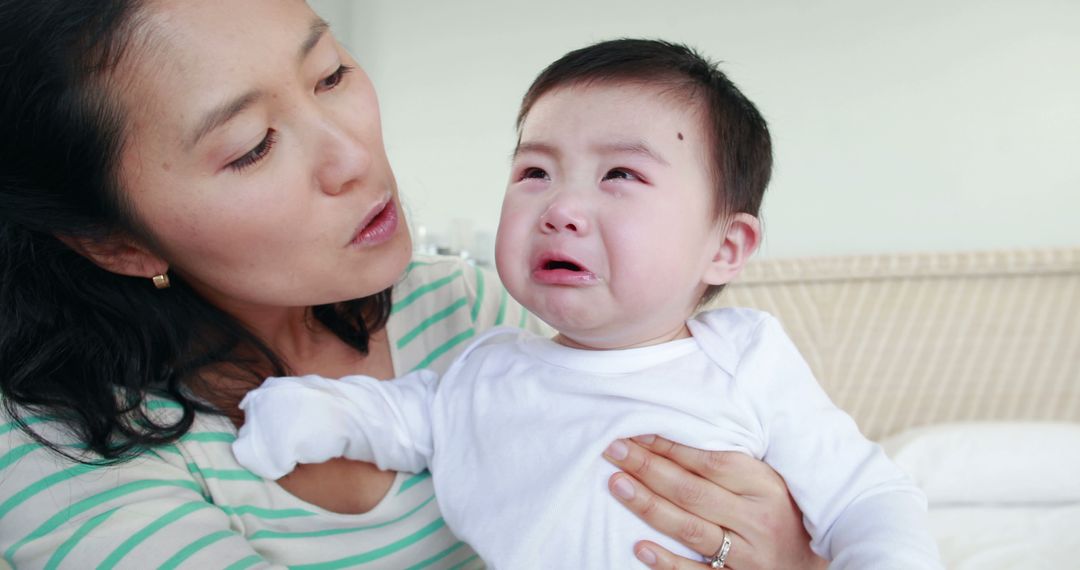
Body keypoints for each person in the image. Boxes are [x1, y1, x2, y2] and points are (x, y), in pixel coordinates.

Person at [0, 1, 829, 569]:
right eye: (254, 145)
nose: (354, 156)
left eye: (329, 75)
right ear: (113, 241)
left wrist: (787, 550)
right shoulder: (60, 447)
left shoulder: (463, 310)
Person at [233, 39, 943, 569]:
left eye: (621, 174)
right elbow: (401, 417)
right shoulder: (487, 370)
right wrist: (306, 412)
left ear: (725, 247)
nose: (561, 207)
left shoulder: (743, 359)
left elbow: (865, 499)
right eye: (535, 171)